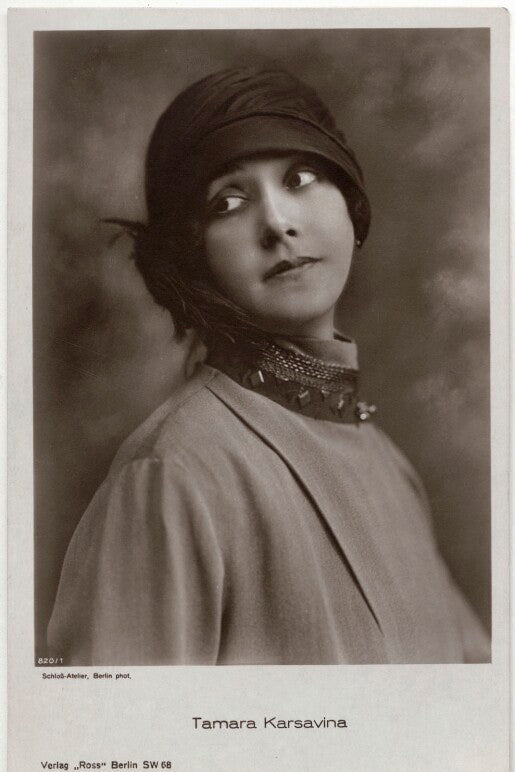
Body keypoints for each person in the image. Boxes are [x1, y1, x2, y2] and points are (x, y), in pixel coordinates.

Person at [47, 68, 490, 665]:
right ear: (194, 255)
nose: (278, 223)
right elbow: (118, 723)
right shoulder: (171, 475)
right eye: (228, 203)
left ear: (350, 203)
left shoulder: (390, 466)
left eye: (300, 178)